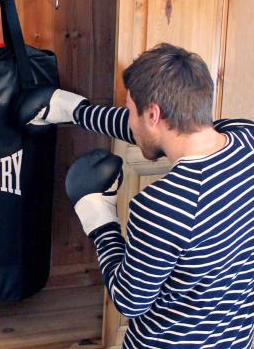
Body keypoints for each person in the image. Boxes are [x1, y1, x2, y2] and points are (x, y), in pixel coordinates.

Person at [17, 43, 254, 348]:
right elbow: (164, 131)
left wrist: (99, 219)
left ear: (153, 114)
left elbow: (129, 300)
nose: (128, 118)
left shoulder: (163, 205)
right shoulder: (246, 139)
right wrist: (76, 111)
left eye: (130, 110)